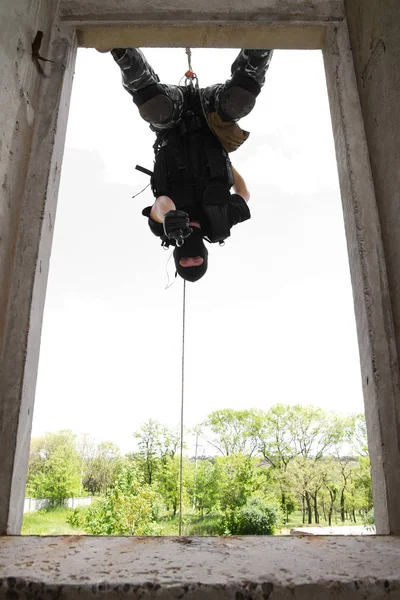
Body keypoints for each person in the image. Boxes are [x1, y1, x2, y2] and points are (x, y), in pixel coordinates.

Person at [110, 47, 273, 282]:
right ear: (205, 257)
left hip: (171, 122)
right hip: (211, 117)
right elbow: (244, 193)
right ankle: (262, 41)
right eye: (197, 261)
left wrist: (168, 218)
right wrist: (226, 164)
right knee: (239, 100)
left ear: (177, 258)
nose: (191, 257)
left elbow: (161, 204)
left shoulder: (164, 230)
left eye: (185, 261)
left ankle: (121, 48)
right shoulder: (221, 225)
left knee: (153, 106)